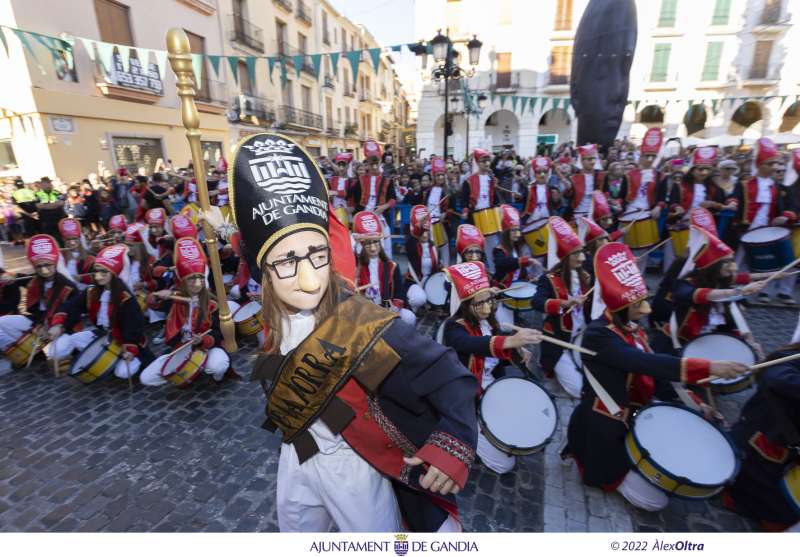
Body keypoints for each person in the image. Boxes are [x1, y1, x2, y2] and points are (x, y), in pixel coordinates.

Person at [230, 133, 478, 532]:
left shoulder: (360, 324)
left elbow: (449, 375)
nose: (308, 278)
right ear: (265, 273)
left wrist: (453, 448)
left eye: (316, 256)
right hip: (299, 454)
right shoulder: (274, 319)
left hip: (355, 466)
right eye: (287, 262)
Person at [562, 241, 748, 511]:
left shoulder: (632, 328)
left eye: (644, 301)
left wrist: (697, 403)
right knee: (655, 502)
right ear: (620, 306)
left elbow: (658, 379)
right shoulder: (598, 335)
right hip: (605, 426)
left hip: (637, 413)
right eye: (639, 305)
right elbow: (643, 362)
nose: (647, 310)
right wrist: (708, 368)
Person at [443, 261, 542, 474]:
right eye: (480, 303)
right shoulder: (453, 328)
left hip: (492, 387)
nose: (488, 308)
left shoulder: (488, 319)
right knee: (504, 465)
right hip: (468, 399)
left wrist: (518, 352)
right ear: (466, 304)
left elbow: (496, 350)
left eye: (489, 300)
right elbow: (471, 344)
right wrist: (509, 342)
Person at [650, 224, 767, 356]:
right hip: (675, 345)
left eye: (731, 262)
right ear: (713, 266)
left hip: (709, 347)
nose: (732, 267)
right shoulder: (686, 284)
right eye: (726, 263)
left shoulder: (724, 285)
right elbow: (698, 295)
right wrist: (739, 292)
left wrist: (748, 345)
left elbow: (733, 325)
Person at [723, 341, 800, 531]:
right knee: (783, 518)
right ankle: (736, 494)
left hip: (783, 457)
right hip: (759, 450)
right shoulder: (789, 360)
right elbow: (777, 377)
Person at [49, 244, 150, 381]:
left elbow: (134, 327)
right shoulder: (91, 292)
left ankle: (128, 363)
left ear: (114, 274)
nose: (98, 277)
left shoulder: (126, 299)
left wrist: (130, 349)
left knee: (122, 373)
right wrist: (58, 324)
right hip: (104, 336)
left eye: (104, 272)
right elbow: (71, 306)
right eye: (96, 271)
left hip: (125, 341)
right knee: (68, 342)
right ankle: (107, 360)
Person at [139, 237, 231, 387]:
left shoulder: (212, 303)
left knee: (218, 365)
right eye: (191, 279)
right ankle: (187, 372)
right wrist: (156, 295)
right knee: (146, 378)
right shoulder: (175, 297)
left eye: (199, 279)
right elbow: (153, 304)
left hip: (207, 348)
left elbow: (218, 333)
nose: (196, 284)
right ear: (182, 281)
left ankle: (211, 374)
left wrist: (202, 340)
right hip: (182, 348)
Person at [731, 138, 797, 305]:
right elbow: (735, 199)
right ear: (760, 165)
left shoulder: (777, 187)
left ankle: (764, 292)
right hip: (746, 230)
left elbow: (785, 207)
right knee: (739, 264)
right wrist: (732, 203)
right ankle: (737, 293)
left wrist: (784, 217)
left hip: (766, 232)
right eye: (770, 164)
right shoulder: (745, 184)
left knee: (767, 263)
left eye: (775, 163)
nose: (774, 167)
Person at [0, 235, 79, 371]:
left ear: (54, 263)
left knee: (55, 354)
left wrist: (59, 327)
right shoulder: (35, 280)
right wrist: (10, 276)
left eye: (47, 265)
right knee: (2, 323)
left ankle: (68, 350)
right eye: (39, 266)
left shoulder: (69, 287)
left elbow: (74, 315)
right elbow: (20, 278)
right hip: (39, 324)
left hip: (61, 327)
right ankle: (32, 353)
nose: (43, 270)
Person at [532, 217, 590, 398]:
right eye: (576, 254)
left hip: (582, 336)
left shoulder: (585, 274)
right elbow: (536, 302)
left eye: (582, 252)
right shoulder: (549, 279)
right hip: (559, 341)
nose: (581, 257)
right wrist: (564, 304)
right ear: (565, 257)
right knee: (580, 390)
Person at [352, 211, 415, 326]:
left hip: (386, 309)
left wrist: (394, 307)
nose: (372, 248)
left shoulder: (391, 266)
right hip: (365, 312)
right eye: (367, 243)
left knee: (410, 317)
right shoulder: (356, 266)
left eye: (376, 242)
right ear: (361, 245)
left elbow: (399, 293)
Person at [351, 140, 396, 257]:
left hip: (379, 216)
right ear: (367, 164)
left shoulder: (387, 180)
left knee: (385, 240)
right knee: (361, 247)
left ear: (380, 163)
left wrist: (383, 207)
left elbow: (393, 199)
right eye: (372, 164)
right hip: (363, 218)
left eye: (377, 163)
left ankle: (387, 265)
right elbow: (350, 196)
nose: (375, 167)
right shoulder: (360, 180)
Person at [460, 149, 500, 272]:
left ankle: (493, 272)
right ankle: (475, 271)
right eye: (483, 161)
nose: (486, 164)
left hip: (490, 217)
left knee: (492, 246)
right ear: (478, 162)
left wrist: (498, 207)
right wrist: (465, 210)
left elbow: (495, 199)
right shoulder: (469, 180)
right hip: (474, 217)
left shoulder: (492, 179)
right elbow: (464, 199)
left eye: (488, 161)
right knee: (475, 247)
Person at [404, 205, 439, 313]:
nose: (424, 234)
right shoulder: (411, 245)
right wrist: (419, 227)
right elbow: (413, 238)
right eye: (422, 232)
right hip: (415, 281)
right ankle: (411, 305)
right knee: (419, 299)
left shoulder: (433, 247)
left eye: (426, 231)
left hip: (430, 282)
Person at [565, 145, 606, 221]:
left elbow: (605, 194)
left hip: (596, 216)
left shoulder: (601, 176)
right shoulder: (574, 178)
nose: (592, 162)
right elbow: (568, 196)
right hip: (578, 216)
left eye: (594, 159)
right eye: (589, 159)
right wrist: (568, 189)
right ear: (582, 161)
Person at [426, 158, 452, 267]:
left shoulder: (448, 191)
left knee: (444, 247)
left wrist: (445, 214)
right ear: (434, 176)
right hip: (429, 223)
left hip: (442, 223)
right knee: (433, 248)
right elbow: (424, 206)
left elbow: (452, 208)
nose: (440, 177)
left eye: (442, 175)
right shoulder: (428, 191)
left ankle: (446, 269)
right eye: (438, 175)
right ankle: (435, 268)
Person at [58, 217, 94, 291]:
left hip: (85, 292)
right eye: (68, 239)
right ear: (63, 239)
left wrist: (81, 278)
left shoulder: (90, 257)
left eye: (74, 238)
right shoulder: (59, 255)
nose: (72, 242)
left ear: (79, 238)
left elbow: (97, 277)